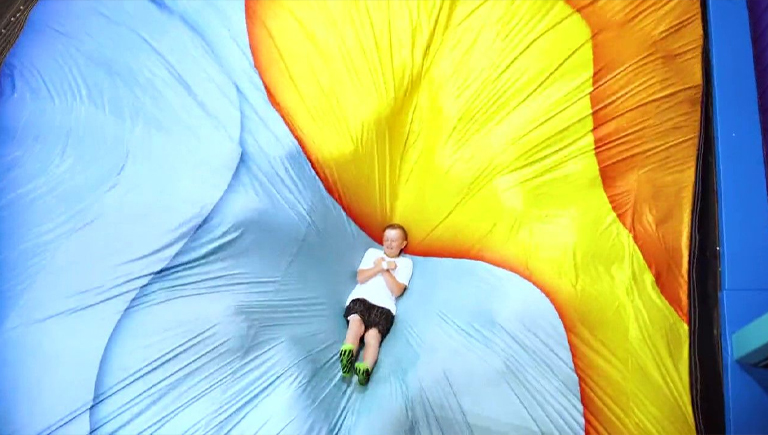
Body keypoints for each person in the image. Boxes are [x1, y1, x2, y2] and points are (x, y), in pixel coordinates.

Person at [339, 223, 413, 385]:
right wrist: (381, 266)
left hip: (384, 307)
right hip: (362, 298)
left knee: (373, 337)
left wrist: (385, 270)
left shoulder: (406, 263)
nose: (388, 243)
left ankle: (365, 368)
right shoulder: (373, 253)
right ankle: (348, 352)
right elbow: (361, 277)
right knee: (356, 323)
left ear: (403, 244)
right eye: (386, 239)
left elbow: (397, 290)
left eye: (394, 240)